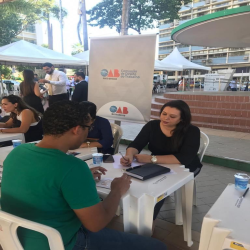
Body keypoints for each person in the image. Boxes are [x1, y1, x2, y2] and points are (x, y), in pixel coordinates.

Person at [1, 101, 167, 250]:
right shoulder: (72, 167)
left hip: (14, 239)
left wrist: (77, 180)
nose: (88, 133)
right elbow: (97, 224)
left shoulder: (18, 152)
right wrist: (116, 190)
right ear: (77, 129)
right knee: (157, 246)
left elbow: (43, 181)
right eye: (88, 128)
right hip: (59, 243)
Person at [120, 100, 201, 222]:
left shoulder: (192, 131)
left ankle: (147, 222)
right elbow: (136, 144)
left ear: (182, 119)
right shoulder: (152, 126)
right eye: (164, 114)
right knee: (136, 180)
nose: (166, 118)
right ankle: (135, 215)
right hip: (158, 164)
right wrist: (129, 155)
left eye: (172, 116)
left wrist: (151, 159)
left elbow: (184, 158)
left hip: (186, 166)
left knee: (159, 187)